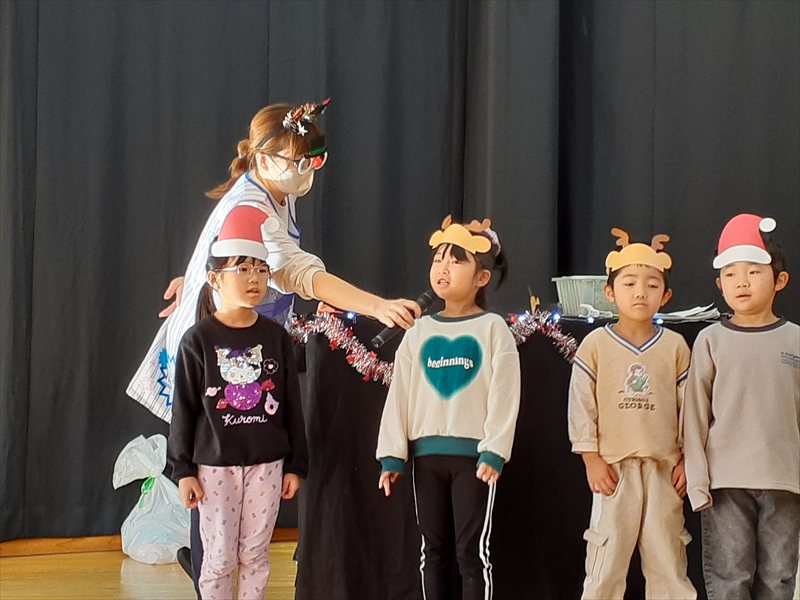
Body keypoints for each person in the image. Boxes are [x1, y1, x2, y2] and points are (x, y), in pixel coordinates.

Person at [127, 99, 421, 591]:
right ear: (264, 159)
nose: (306, 171)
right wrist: (375, 305)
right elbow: (298, 272)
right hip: (219, 356)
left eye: (314, 159)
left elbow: (224, 250)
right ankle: (208, 571)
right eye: (297, 161)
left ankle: (212, 565)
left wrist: (193, 276)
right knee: (211, 472)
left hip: (241, 343)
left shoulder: (274, 190)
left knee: (235, 488)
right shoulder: (253, 205)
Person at [375, 215, 521, 600]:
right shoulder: (418, 331)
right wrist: (392, 456)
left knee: (472, 553)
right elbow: (400, 394)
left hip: (474, 459)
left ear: (481, 278)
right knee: (433, 551)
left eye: (456, 261)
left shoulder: (493, 328)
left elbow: (505, 393)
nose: (443, 268)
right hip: (426, 458)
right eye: (438, 259)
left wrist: (494, 449)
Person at [167, 204, 308, 600]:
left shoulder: (276, 337)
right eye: (243, 269)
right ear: (215, 278)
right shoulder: (198, 340)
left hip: (267, 466)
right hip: (215, 469)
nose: (254, 278)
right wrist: (183, 470)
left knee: (256, 555)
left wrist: (296, 464)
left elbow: (292, 406)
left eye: (261, 269)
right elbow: (184, 411)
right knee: (218, 558)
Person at [567, 228, 696, 600]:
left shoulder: (675, 346)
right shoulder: (595, 344)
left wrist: (688, 458)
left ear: (665, 295)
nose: (640, 292)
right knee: (605, 563)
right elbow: (581, 404)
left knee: (668, 560)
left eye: (652, 285)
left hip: (664, 470)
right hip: (614, 470)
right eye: (629, 284)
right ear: (609, 292)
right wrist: (590, 457)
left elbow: (689, 408)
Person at [683, 213, 800, 599]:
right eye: (730, 274)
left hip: (785, 480)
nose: (742, 282)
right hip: (726, 482)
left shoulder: (796, 340)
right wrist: (697, 480)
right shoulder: (710, 340)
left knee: (778, 578)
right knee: (730, 576)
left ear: (779, 280)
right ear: (720, 284)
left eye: (753, 271)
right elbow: (694, 416)